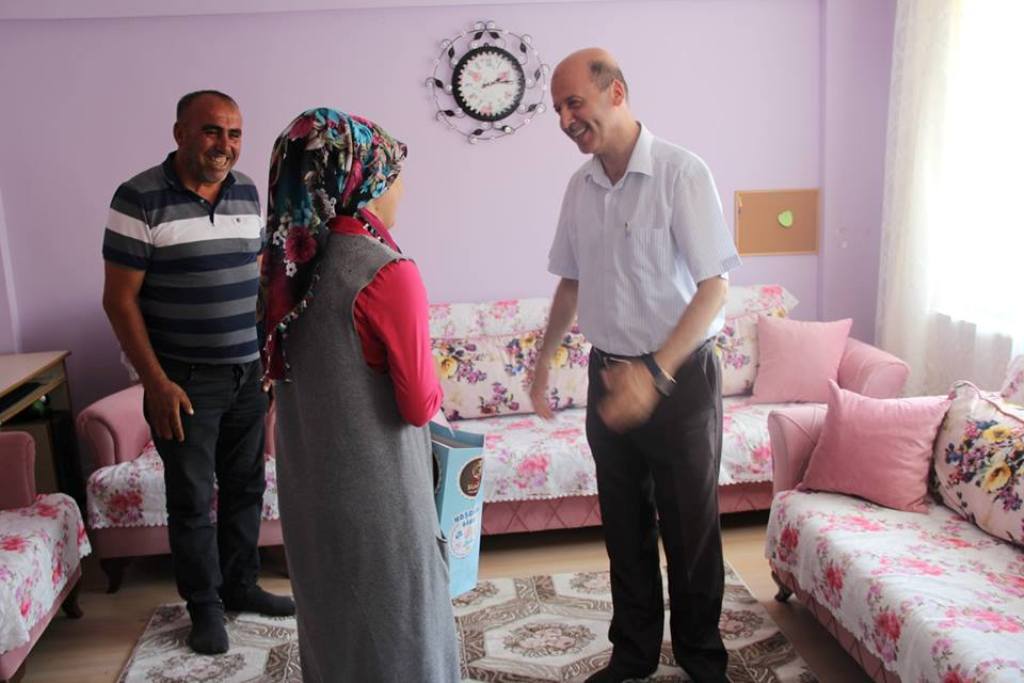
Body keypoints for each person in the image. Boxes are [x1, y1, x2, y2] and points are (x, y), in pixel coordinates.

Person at [528, 49, 742, 683]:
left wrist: (655, 372)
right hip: (609, 376)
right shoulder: (580, 187)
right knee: (624, 528)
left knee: (690, 531)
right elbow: (571, 282)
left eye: (574, 103)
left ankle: (702, 658)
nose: (565, 120)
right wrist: (543, 363)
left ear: (615, 92)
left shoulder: (681, 173)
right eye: (557, 109)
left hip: (680, 378)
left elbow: (715, 288)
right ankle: (634, 655)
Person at [261, 108, 460, 682]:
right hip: (378, 491)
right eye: (393, 175)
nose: (401, 190)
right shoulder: (385, 272)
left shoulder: (284, 272)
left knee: (331, 621)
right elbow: (418, 404)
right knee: (401, 624)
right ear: (361, 180)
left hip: (308, 483)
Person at [102, 90, 294, 655]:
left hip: (246, 374)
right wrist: (155, 383)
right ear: (180, 132)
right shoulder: (139, 197)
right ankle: (205, 607)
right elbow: (119, 300)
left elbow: (258, 283)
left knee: (246, 487)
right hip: (182, 382)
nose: (224, 145)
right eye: (212, 131)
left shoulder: (247, 191)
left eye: (234, 134)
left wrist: (266, 359)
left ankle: (240, 586)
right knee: (191, 500)